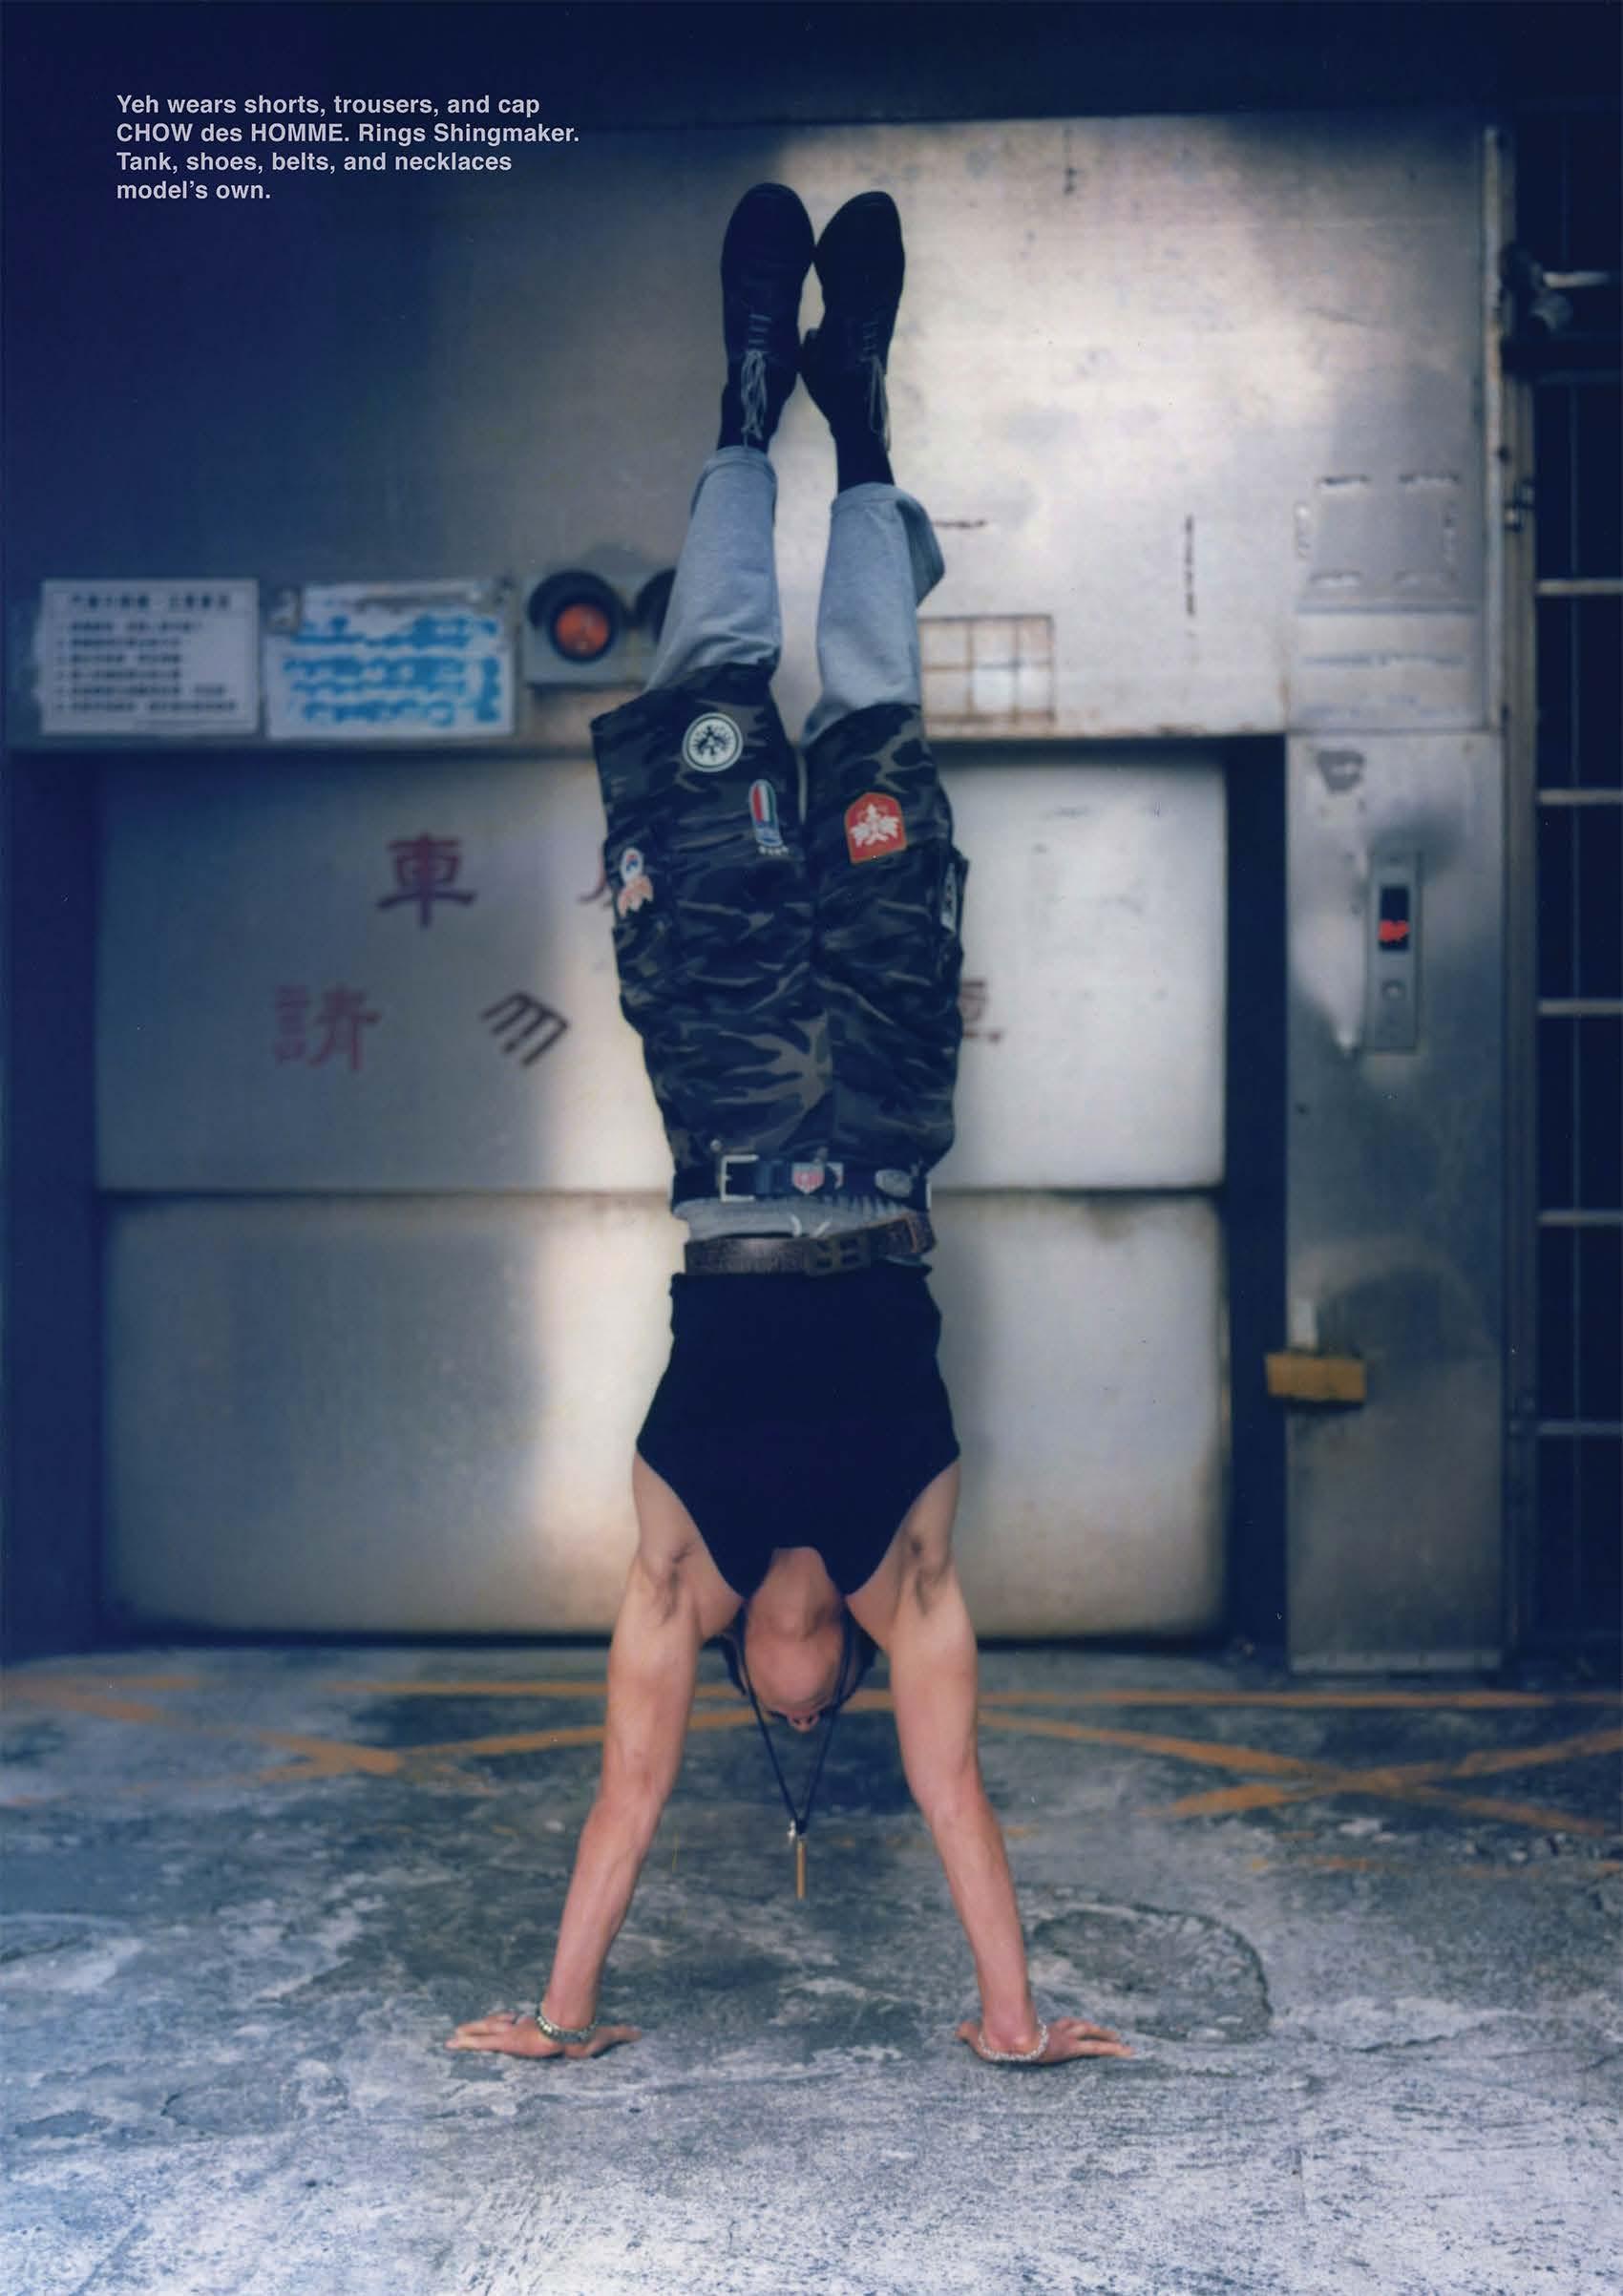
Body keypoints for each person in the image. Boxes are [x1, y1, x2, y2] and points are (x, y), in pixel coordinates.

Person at [448, 186, 1130, 2073]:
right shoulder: (918, 1573)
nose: (809, 1681)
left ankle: (752, 405)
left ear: (747, 1665)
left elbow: (628, 1796)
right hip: (890, 1113)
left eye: (789, 1696)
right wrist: (1013, 2019)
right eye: (833, 1699)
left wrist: (560, 2015)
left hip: (740, 1095)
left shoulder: (678, 1562)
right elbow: (959, 1787)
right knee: (882, 731)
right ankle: (872, 423)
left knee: (712, 712)